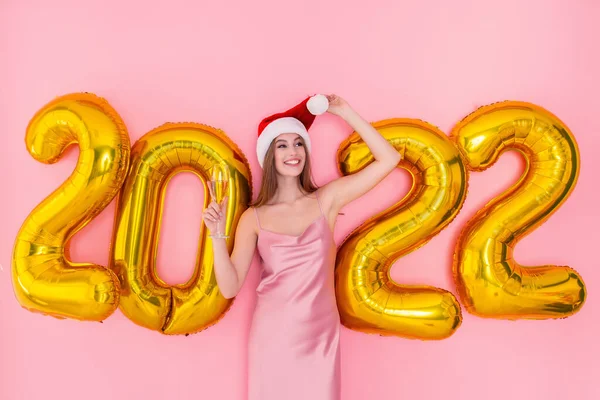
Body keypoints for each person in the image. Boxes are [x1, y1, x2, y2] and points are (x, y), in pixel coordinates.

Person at [202, 94, 401, 400]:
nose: (292, 152)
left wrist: (346, 112)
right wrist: (217, 236)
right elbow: (230, 287)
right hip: (273, 337)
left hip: (320, 337)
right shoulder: (253, 218)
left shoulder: (327, 200)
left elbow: (389, 159)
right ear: (269, 154)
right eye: (282, 145)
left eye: (298, 144)